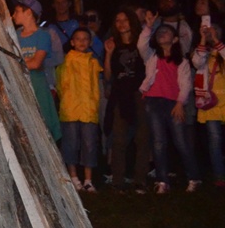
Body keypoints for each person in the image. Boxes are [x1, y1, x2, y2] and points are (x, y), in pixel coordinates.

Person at [139, 16, 196, 193]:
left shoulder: (182, 61)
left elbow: (186, 83)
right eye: (160, 32)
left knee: (180, 141)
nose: (163, 34)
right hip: (153, 101)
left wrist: (180, 103)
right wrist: (148, 27)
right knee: (158, 142)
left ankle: (193, 177)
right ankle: (162, 181)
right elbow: (141, 44)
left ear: (176, 39)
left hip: (173, 103)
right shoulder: (151, 57)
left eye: (167, 32)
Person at [103, 10, 149, 192]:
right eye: (117, 20)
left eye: (125, 20)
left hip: (140, 93)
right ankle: (118, 180)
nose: (121, 23)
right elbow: (108, 75)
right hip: (120, 95)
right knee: (119, 139)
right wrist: (108, 53)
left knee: (142, 137)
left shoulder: (142, 43)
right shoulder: (113, 44)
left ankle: (140, 179)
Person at [56, 28, 103, 192]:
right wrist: (67, 102)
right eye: (78, 39)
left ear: (90, 42)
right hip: (70, 110)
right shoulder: (65, 61)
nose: (82, 42)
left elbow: (96, 87)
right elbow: (60, 85)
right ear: (72, 42)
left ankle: (88, 179)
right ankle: (74, 177)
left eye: (85, 39)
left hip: (88, 110)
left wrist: (94, 104)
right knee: (71, 144)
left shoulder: (93, 63)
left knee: (89, 145)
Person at [11, 0, 61, 142]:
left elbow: (36, 63)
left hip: (38, 86)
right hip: (20, 86)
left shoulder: (43, 34)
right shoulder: (14, 36)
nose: (13, 15)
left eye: (17, 11)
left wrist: (17, 61)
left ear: (29, 13)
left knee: (43, 128)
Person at [192, 21, 225, 187]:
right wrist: (203, 39)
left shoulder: (222, 50)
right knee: (215, 140)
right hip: (211, 104)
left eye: (215, 29)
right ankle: (219, 176)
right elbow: (197, 62)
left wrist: (217, 41)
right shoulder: (203, 52)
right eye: (208, 29)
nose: (211, 32)